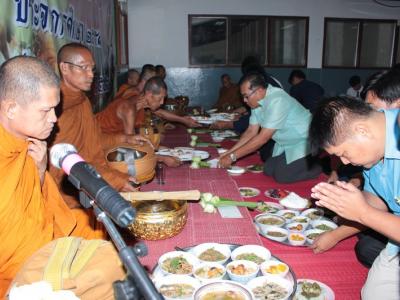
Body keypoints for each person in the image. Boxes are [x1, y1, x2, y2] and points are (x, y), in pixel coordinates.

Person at [0, 56, 124, 297]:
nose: (54, 119)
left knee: (103, 231)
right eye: (46, 110)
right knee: (105, 269)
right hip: (17, 265)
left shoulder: (29, 144)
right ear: (11, 108)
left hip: (42, 237)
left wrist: (39, 169)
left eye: (55, 109)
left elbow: (33, 205)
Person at [309, 97, 400, 299]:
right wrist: (346, 201)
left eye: (344, 153)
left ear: (361, 131)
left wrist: (362, 212)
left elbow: (368, 213)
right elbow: (378, 200)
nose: (344, 162)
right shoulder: (374, 151)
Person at [49, 43, 146, 225]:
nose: (91, 74)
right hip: (66, 194)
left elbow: (93, 140)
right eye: (83, 68)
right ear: (64, 67)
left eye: (92, 69)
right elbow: (62, 164)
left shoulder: (82, 101)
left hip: (90, 176)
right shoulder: (54, 108)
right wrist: (115, 180)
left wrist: (125, 138)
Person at [219, 72, 321, 183]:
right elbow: (251, 132)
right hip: (287, 144)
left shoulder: (277, 100)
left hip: (306, 142)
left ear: (258, 91)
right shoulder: (256, 103)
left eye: (246, 96)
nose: (244, 100)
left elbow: (262, 138)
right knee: (268, 169)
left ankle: (317, 165)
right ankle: (301, 163)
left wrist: (232, 157)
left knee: (282, 176)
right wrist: (230, 152)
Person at [96, 64, 156, 135]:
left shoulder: (137, 93)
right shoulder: (134, 94)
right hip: (102, 132)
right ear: (147, 81)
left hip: (114, 132)